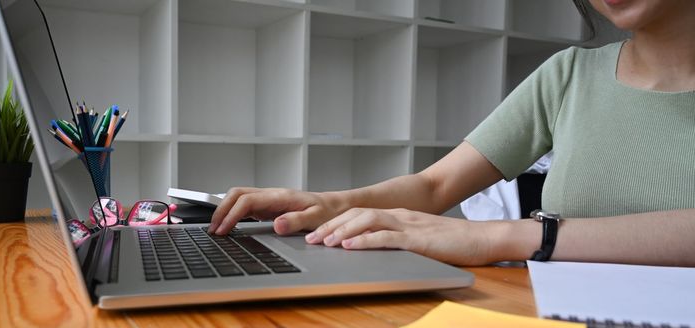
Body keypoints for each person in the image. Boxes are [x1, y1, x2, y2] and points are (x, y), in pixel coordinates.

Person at [208, 0, 695, 267]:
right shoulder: (569, 74)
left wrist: (502, 237)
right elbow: (436, 186)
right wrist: (328, 204)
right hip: (558, 327)